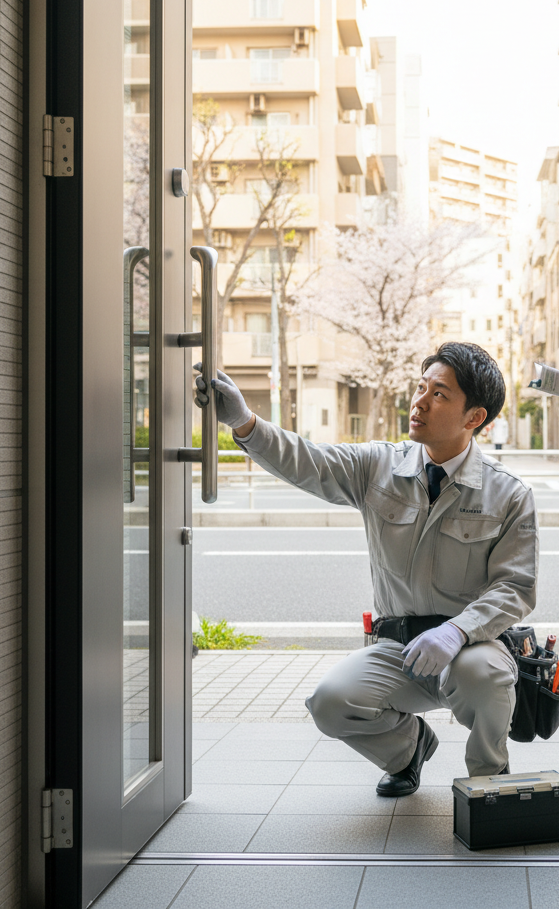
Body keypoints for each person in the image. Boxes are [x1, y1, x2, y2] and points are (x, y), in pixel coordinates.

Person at [194, 341, 537, 796]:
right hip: (400, 649)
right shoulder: (377, 465)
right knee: (330, 702)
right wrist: (244, 422)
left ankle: (490, 786)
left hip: (470, 648)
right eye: (420, 388)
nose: (419, 402)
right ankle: (408, 749)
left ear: (474, 418)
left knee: (485, 675)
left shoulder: (508, 494)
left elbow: (515, 587)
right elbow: (308, 460)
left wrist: (456, 632)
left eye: (439, 394)